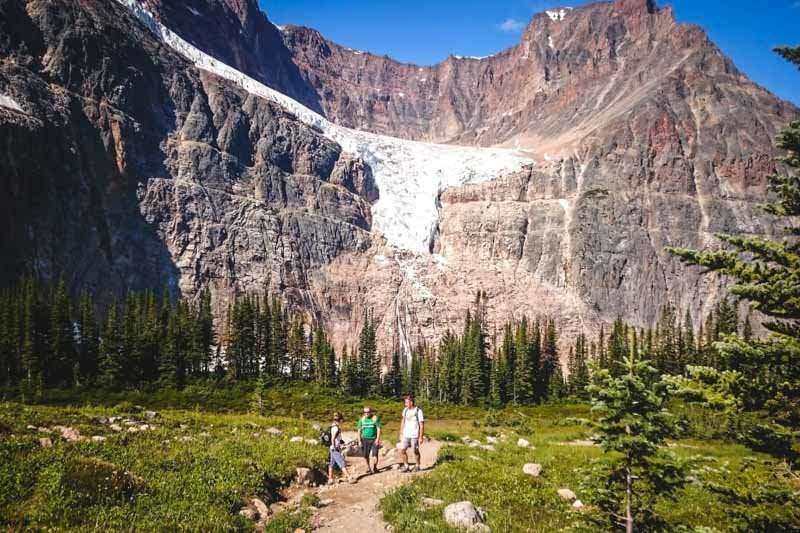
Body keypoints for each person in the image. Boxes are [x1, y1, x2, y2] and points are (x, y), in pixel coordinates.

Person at [398, 394, 425, 473]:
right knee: (402, 450)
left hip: (415, 435)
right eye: (405, 402)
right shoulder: (405, 410)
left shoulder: (418, 411)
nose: (405, 404)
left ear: (411, 402)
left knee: (415, 451)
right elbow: (403, 421)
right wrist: (401, 433)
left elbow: (421, 425)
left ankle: (417, 465)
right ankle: (406, 466)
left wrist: (420, 437)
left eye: (406, 402)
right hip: (406, 434)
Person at [327, 412, 355, 484]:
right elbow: (333, 438)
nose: (342, 421)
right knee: (341, 462)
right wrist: (334, 446)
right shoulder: (335, 428)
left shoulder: (333, 426)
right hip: (334, 448)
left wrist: (341, 443)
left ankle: (330, 479)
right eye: (341, 420)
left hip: (332, 447)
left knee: (332, 463)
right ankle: (349, 477)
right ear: (340, 420)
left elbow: (337, 438)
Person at [356, 406, 382, 474]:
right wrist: (359, 441)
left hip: (374, 439)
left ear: (371, 412)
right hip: (364, 439)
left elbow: (379, 428)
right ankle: (368, 468)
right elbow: (359, 431)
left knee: (375, 454)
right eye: (365, 412)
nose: (366, 413)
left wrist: (378, 439)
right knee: (365, 455)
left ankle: (375, 467)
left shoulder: (375, 418)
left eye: (368, 412)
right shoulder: (362, 420)